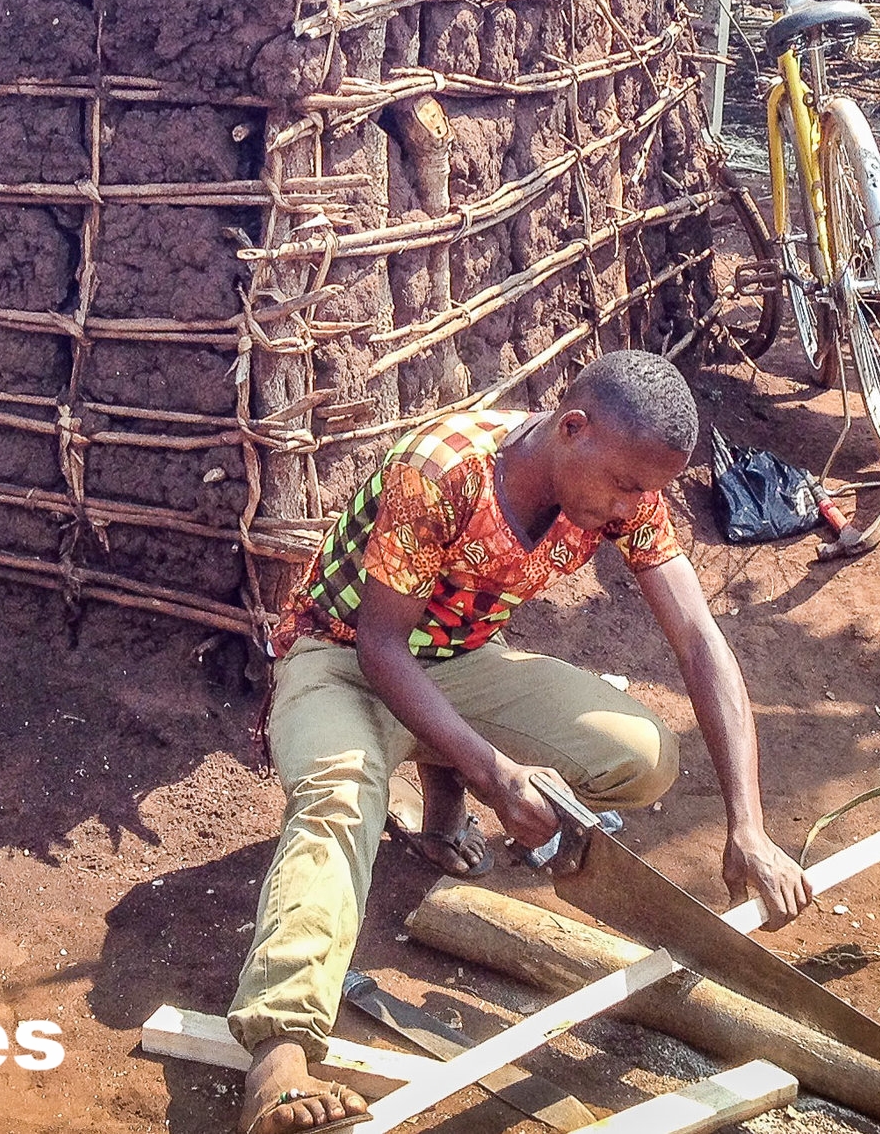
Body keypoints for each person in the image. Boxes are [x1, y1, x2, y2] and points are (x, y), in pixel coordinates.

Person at [228, 351, 813, 1134]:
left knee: (640, 754)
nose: (634, 507)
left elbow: (702, 644)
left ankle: (440, 774)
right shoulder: (442, 470)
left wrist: (749, 823)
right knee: (339, 800)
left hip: (457, 661)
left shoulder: (625, 485)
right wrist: (497, 772)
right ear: (573, 429)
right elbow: (380, 647)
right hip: (343, 657)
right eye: (628, 486)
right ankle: (278, 1061)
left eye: (648, 492)